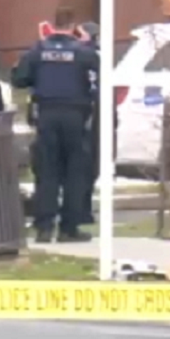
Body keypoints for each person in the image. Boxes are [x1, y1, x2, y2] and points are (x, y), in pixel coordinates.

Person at [12, 9, 99, 242]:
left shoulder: (37, 51)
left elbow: (19, 79)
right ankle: (68, 228)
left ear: (53, 25)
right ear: (73, 26)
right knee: (75, 172)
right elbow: (97, 84)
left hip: (47, 115)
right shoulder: (85, 53)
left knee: (47, 171)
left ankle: (44, 227)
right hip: (76, 116)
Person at [77, 21, 101, 225]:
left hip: (86, 115)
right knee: (89, 167)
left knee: (84, 166)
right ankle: (83, 210)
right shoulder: (94, 56)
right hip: (93, 115)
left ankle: (80, 210)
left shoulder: (84, 55)